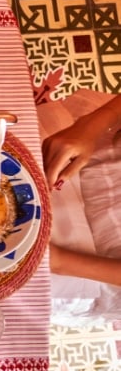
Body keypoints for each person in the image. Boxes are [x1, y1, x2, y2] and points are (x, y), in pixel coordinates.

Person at [40, 89, 121, 323]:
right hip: (92, 145)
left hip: (86, 262)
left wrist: (57, 261)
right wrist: (92, 125)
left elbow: (56, 262)